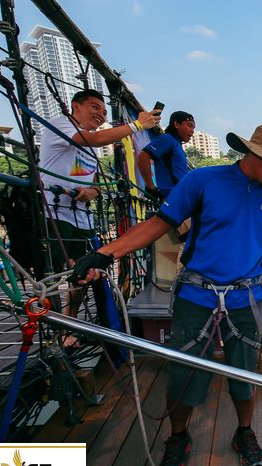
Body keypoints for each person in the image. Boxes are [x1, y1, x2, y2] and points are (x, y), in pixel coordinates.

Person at [70, 123, 262, 466]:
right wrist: (106, 254)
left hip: (245, 299)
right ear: (255, 156)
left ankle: (244, 433)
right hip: (197, 296)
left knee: (244, 374)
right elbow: (158, 224)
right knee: (185, 374)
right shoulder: (203, 182)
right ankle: (178, 437)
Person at [39, 89, 160, 341]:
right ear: (76, 106)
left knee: (81, 274)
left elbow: (94, 185)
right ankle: (54, 330)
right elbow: (90, 139)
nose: (101, 114)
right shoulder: (62, 124)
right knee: (53, 275)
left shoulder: (92, 149)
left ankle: (69, 325)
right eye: (95, 107)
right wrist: (138, 125)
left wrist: (91, 192)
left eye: (104, 111)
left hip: (81, 216)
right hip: (54, 211)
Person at [138, 111, 195, 202]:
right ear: (176, 124)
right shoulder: (167, 139)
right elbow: (143, 156)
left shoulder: (176, 144)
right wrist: (150, 186)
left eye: (193, 127)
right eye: (189, 125)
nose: (192, 130)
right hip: (173, 198)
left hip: (182, 197)